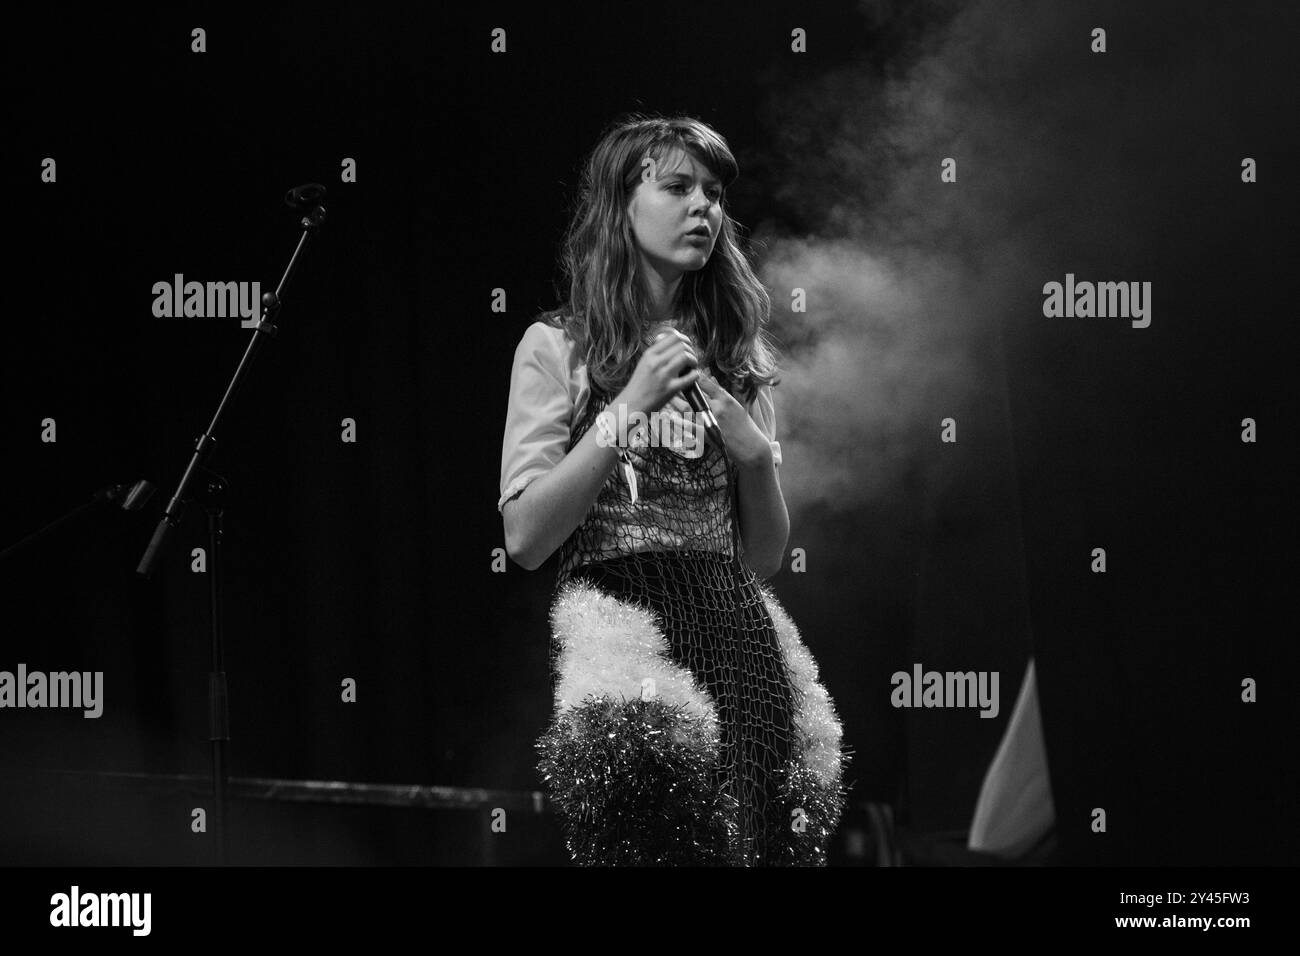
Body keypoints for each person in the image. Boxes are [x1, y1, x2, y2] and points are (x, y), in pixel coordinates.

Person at [499, 114, 846, 866]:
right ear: (621, 205)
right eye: (679, 187)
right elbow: (525, 539)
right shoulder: (557, 346)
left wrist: (758, 462)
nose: (704, 209)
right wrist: (626, 409)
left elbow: (763, 558)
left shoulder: (734, 354)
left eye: (715, 193)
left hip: (736, 632)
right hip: (627, 632)